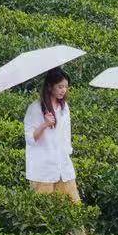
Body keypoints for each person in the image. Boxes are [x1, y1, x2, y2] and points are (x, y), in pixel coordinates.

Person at [23, 67, 79, 205]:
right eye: (60, 86)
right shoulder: (35, 108)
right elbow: (30, 138)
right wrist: (44, 124)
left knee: (72, 207)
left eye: (66, 87)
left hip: (63, 166)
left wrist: (67, 154)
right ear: (49, 86)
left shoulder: (64, 107)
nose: (63, 90)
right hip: (43, 168)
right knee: (44, 212)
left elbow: (67, 135)